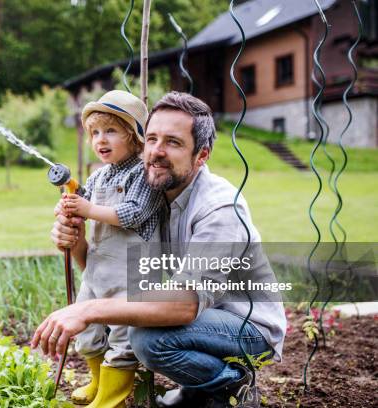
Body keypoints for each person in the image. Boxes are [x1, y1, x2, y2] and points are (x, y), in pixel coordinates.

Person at [32, 92, 287, 408]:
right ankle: (200, 387)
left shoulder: (219, 208)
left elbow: (182, 307)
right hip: (204, 313)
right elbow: (99, 272)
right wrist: (76, 240)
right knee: (143, 325)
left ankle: (231, 385)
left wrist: (88, 310)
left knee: (148, 339)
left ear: (201, 155)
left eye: (173, 142)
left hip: (247, 325)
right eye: (151, 139)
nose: (156, 152)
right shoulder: (153, 198)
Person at [57, 89, 164, 407]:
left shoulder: (144, 174)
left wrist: (86, 209)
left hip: (132, 272)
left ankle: (111, 399)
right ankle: (97, 381)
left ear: (134, 136)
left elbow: (132, 213)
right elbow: (81, 206)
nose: (100, 140)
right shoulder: (99, 174)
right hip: (98, 267)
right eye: (95, 133)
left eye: (111, 131)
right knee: (86, 331)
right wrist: (67, 209)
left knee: (122, 337)